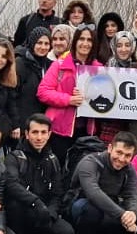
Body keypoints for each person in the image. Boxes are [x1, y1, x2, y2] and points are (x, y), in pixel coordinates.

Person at [6, 115, 76, 234]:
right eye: (35, 132)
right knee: (15, 205)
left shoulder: (53, 159)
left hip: (44, 212)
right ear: (27, 134)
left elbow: (58, 192)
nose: (39, 137)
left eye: (43, 132)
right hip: (23, 210)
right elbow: (12, 185)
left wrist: (51, 212)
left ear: (49, 134)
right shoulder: (14, 157)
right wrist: (36, 203)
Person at [68, 130, 137, 234]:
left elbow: (133, 194)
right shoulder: (90, 162)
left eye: (127, 155)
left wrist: (132, 213)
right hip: (81, 204)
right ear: (110, 148)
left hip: (109, 208)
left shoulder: (130, 169)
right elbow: (93, 193)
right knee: (92, 210)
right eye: (119, 153)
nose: (121, 159)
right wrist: (121, 214)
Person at [38, 26, 101, 163]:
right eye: (81, 39)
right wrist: (69, 100)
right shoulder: (59, 65)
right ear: (75, 42)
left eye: (89, 40)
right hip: (59, 129)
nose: (85, 43)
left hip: (86, 130)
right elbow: (43, 92)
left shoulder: (99, 69)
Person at [14, 27, 56, 129]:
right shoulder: (20, 63)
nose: (43, 47)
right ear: (32, 43)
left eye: (46, 44)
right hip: (22, 122)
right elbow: (12, 94)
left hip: (42, 122)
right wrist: (15, 123)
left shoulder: (50, 65)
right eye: (39, 43)